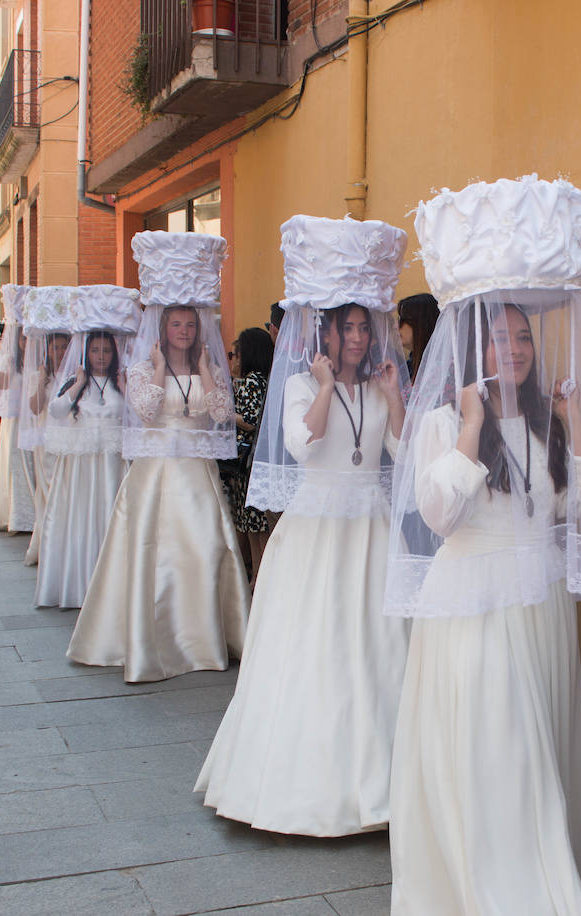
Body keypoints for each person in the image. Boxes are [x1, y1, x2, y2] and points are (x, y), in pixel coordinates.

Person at [386, 176, 581, 913]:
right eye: (500, 335)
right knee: (493, 750)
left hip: (541, 605)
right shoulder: (442, 423)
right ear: (472, 343)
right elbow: (436, 515)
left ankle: (539, 872)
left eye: (524, 335)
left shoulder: (550, 427)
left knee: (540, 749)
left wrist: (577, 420)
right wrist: (467, 428)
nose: (515, 348)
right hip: (473, 607)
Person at [196, 214, 411, 836]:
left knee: (373, 648)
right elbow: (302, 441)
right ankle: (301, 781)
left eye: (364, 328)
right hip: (316, 529)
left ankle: (385, 781)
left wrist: (395, 393)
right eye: (347, 328)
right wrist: (321, 384)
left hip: (367, 528)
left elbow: (402, 453)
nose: (357, 339)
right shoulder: (297, 383)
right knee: (314, 645)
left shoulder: (378, 386)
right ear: (325, 331)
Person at [68, 231, 249, 682]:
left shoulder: (208, 365)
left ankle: (204, 636)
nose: (184, 332)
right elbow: (145, 413)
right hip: (154, 473)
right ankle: (150, 637)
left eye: (191, 325)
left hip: (195, 470)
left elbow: (223, 413)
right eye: (176, 324)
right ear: (163, 327)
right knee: (150, 549)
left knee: (205, 547)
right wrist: (160, 368)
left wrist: (206, 369)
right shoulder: (142, 367)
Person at [34, 285, 140, 608]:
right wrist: (77, 384)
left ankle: (110, 585)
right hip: (82, 469)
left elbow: (135, 418)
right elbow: (54, 411)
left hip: (112, 465)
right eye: (95, 351)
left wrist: (126, 389)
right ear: (86, 353)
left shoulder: (120, 383)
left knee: (111, 519)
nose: (100, 357)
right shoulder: (75, 383)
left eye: (106, 351)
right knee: (81, 521)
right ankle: (78, 582)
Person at [19, 290, 73, 567]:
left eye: (65, 347)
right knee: (47, 494)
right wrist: (41, 377)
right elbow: (33, 408)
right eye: (56, 347)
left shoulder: (77, 375)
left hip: (69, 441)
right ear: (49, 350)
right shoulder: (39, 375)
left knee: (66, 494)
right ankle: (47, 544)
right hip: (45, 442)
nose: (60, 352)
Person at [219, 326, 273, 580]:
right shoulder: (264, 379)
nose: (234, 359)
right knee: (252, 523)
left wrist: (226, 414)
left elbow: (250, 420)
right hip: (251, 463)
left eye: (236, 353)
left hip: (248, 462)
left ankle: (257, 579)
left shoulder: (253, 381)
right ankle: (255, 577)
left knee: (254, 525)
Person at [0, 287, 34, 532]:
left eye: (29, 337)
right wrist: (4, 365)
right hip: (15, 421)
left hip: (34, 419)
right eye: (22, 337)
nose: (26, 342)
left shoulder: (39, 361)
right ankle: (18, 516)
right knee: (17, 468)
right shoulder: (10, 360)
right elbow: (0, 387)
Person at [397, 292, 438, 379]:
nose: (396, 326)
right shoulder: (408, 367)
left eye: (402, 319)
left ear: (421, 323)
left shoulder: (442, 368)